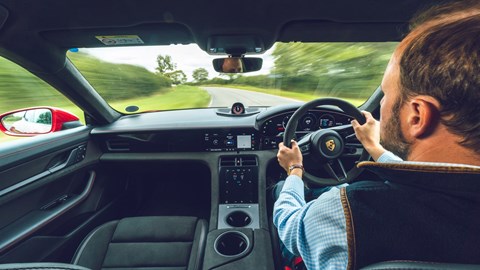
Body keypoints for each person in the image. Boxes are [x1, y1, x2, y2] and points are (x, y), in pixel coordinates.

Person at [273, 1, 480, 269]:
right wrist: (374, 146)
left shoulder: (343, 213)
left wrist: (295, 170)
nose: (381, 106)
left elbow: (288, 224)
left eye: (386, 94)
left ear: (416, 116)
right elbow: (431, 180)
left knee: (282, 195)